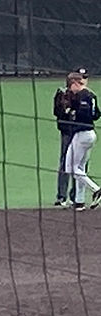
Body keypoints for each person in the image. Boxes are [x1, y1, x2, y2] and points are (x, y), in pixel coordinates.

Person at [61, 71, 101, 211]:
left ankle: (96, 189)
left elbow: (84, 114)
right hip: (90, 134)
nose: (70, 89)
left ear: (76, 83)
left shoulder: (82, 96)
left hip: (82, 134)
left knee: (71, 168)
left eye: (71, 85)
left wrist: (71, 111)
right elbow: (96, 114)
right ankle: (79, 201)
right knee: (80, 168)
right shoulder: (91, 94)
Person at [53, 69, 84, 206]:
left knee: (80, 164)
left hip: (81, 133)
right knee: (65, 163)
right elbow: (57, 112)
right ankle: (61, 196)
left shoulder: (86, 95)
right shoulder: (61, 94)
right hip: (67, 132)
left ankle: (76, 196)